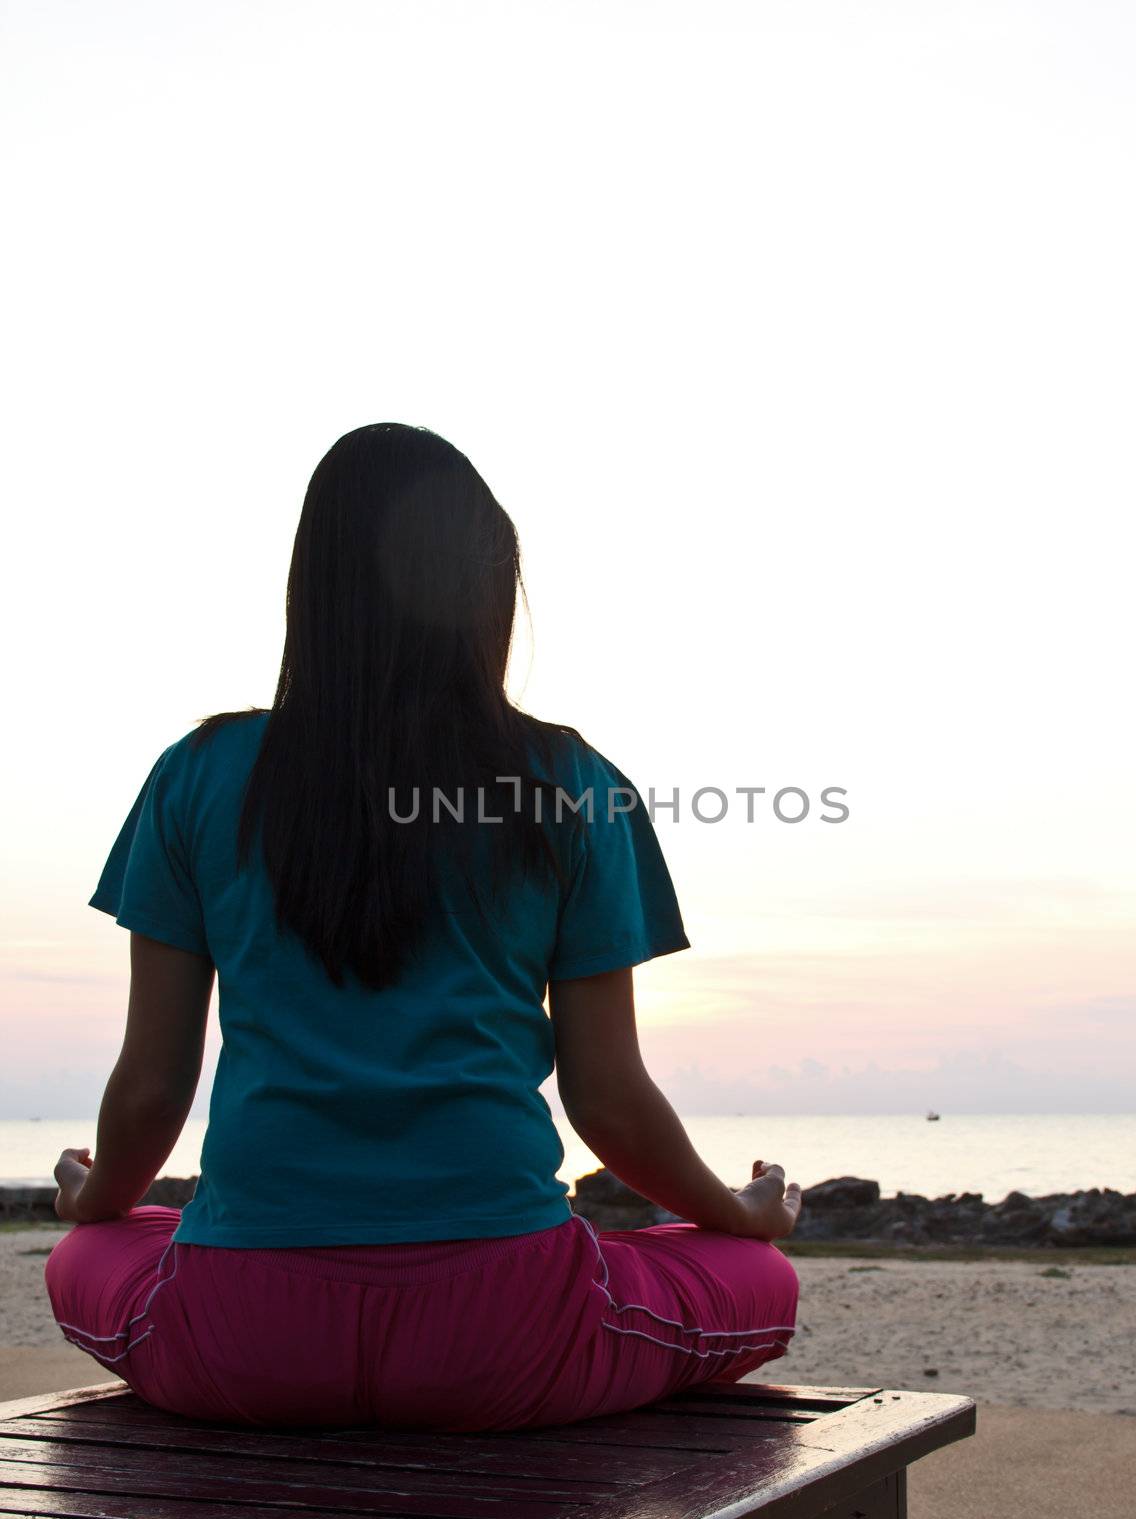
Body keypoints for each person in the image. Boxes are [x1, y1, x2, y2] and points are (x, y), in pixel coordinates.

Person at [44, 422, 802, 1432]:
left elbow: (152, 1083)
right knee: (755, 1277)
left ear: (312, 591)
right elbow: (609, 1102)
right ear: (484, 595)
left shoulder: (199, 774)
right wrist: (733, 1214)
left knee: (90, 1252)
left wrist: (98, 1200)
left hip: (247, 1336)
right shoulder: (572, 786)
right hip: (503, 1336)